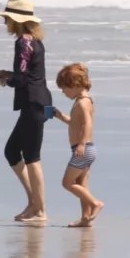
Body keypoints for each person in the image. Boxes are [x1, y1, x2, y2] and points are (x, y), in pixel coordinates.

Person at [0, 0, 52, 222]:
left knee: (32, 158)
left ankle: (40, 210)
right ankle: (34, 202)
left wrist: (2, 80)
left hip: (33, 103)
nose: (5, 23)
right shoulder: (36, 41)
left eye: (6, 19)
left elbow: (22, 80)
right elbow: (29, 76)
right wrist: (4, 73)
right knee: (12, 151)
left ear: (16, 20)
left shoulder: (23, 42)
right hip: (39, 102)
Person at [53, 63, 104, 228]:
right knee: (82, 185)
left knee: (67, 183)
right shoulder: (82, 101)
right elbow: (74, 123)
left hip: (83, 149)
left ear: (74, 85)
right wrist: (60, 116)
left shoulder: (83, 103)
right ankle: (85, 218)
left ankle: (95, 203)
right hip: (85, 149)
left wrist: (82, 144)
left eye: (64, 88)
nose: (63, 92)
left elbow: (88, 124)